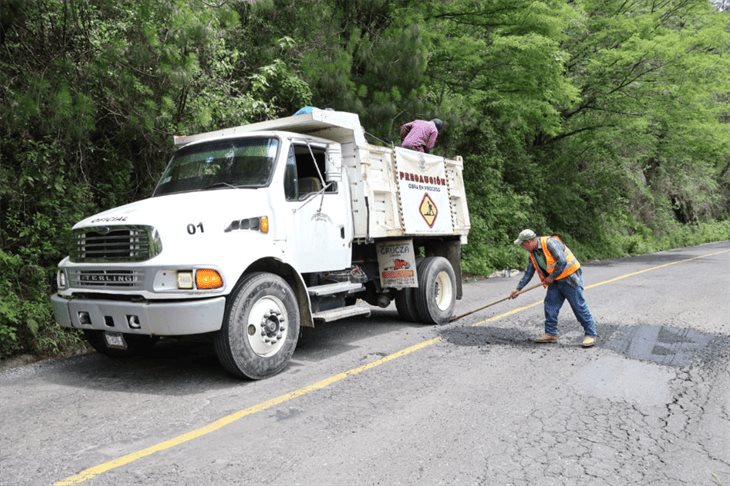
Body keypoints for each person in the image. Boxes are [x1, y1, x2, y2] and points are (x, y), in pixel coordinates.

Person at [510, 229, 598, 347]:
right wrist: (518, 289)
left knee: (578, 306)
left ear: (530, 241)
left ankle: (590, 334)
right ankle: (551, 334)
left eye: (523, 244)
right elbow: (528, 273)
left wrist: (551, 277)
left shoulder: (550, 243)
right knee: (550, 305)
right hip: (555, 281)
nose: (522, 246)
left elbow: (561, 261)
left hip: (570, 279)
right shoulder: (533, 254)